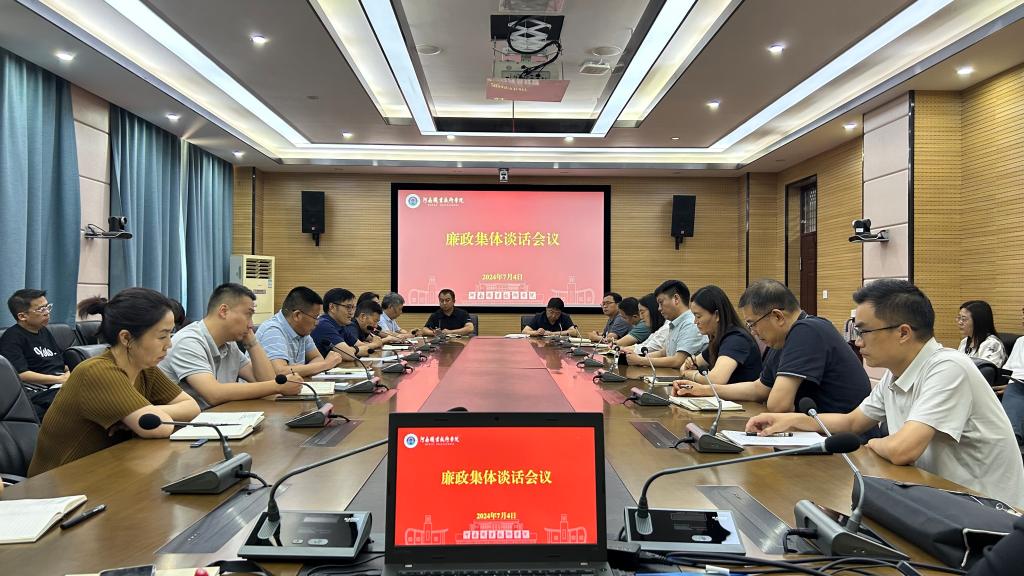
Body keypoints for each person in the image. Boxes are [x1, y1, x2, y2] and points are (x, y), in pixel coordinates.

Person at [747, 280, 1024, 509]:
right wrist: (790, 421)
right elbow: (853, 422)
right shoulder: (897, 373)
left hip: (990, 513)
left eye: (863, 331)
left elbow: (903, 450)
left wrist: (872, 444)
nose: (857, 341)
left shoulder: (949, 368)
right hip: (939, 498)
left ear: (903, 333)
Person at [28, 288, 201, 476]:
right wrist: (144, 414)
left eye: (170, 334)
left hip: (105, 470)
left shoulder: (145, 367)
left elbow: (192, 407)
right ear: (126, 338)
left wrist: (145, 412)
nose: (169, 344)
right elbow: (159, 428)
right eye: (162, 336)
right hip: (58, 486)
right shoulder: (98, 372)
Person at [727, 279, 869, 413]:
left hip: (837, 430)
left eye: (753, 324)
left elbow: (778, 405)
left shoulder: (807, 331)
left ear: (778, 317)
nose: (753, 332)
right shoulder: (784, 338)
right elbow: (759, 389)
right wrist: (714, 390)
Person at [159, 283, 303, 408]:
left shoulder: (229, 344)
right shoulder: (188, 341)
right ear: (224, 311)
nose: (251, 325)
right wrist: (278, 386)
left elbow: (266, 382)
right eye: (248, 315)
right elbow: (213, 394)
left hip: (218, 420)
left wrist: (252, 344)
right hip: (185, 427)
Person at [672, 285, 762, 391]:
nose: (695, 322)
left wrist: (690, 373)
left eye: (698, 316)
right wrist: (689, 365)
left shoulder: (736, 339)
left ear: (717, 315)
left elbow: (716, 379)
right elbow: (685, 366)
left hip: (742, 401)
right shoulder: (718, 338)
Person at [255, 286, 343, 378]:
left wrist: (297, 369)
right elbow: (280, 372)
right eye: (315, 317)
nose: (317, 322)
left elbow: (317, 358)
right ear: (297, 315)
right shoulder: (273, 330)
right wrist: (326, 364)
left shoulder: (301, 330)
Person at [625, 280, 705, 369]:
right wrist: (639, 358)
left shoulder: (690, 324)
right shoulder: (675, 323)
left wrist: (641, 360)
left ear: (676, 299)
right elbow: (664, 352)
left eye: (661, 302)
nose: (659, 308)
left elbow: (678, 361)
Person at [0, 289, 68, 386]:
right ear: (22, 316)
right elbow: (21, 374)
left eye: (47, 307)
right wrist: (59, 379)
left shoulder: (44, 331)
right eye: (41, 309)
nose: (47, 312)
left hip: (59, 380)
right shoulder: (11, 337)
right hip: (41, 388)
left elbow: (59, 362)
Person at [996, 306, 1024, 442]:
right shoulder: (1020, 341)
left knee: (1013, 390)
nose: (1023, 318)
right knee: (1012, 389)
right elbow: (1008, 369)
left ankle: (1012, 438)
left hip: (1017, 388)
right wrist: (1008, 382)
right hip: (1017, 384)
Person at [957, 300, 1007, 367]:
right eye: (959, 318)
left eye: (964, 319)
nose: (960, 322)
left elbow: (986, 370)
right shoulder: (964, 342)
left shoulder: (992, 344)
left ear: (978, 321)